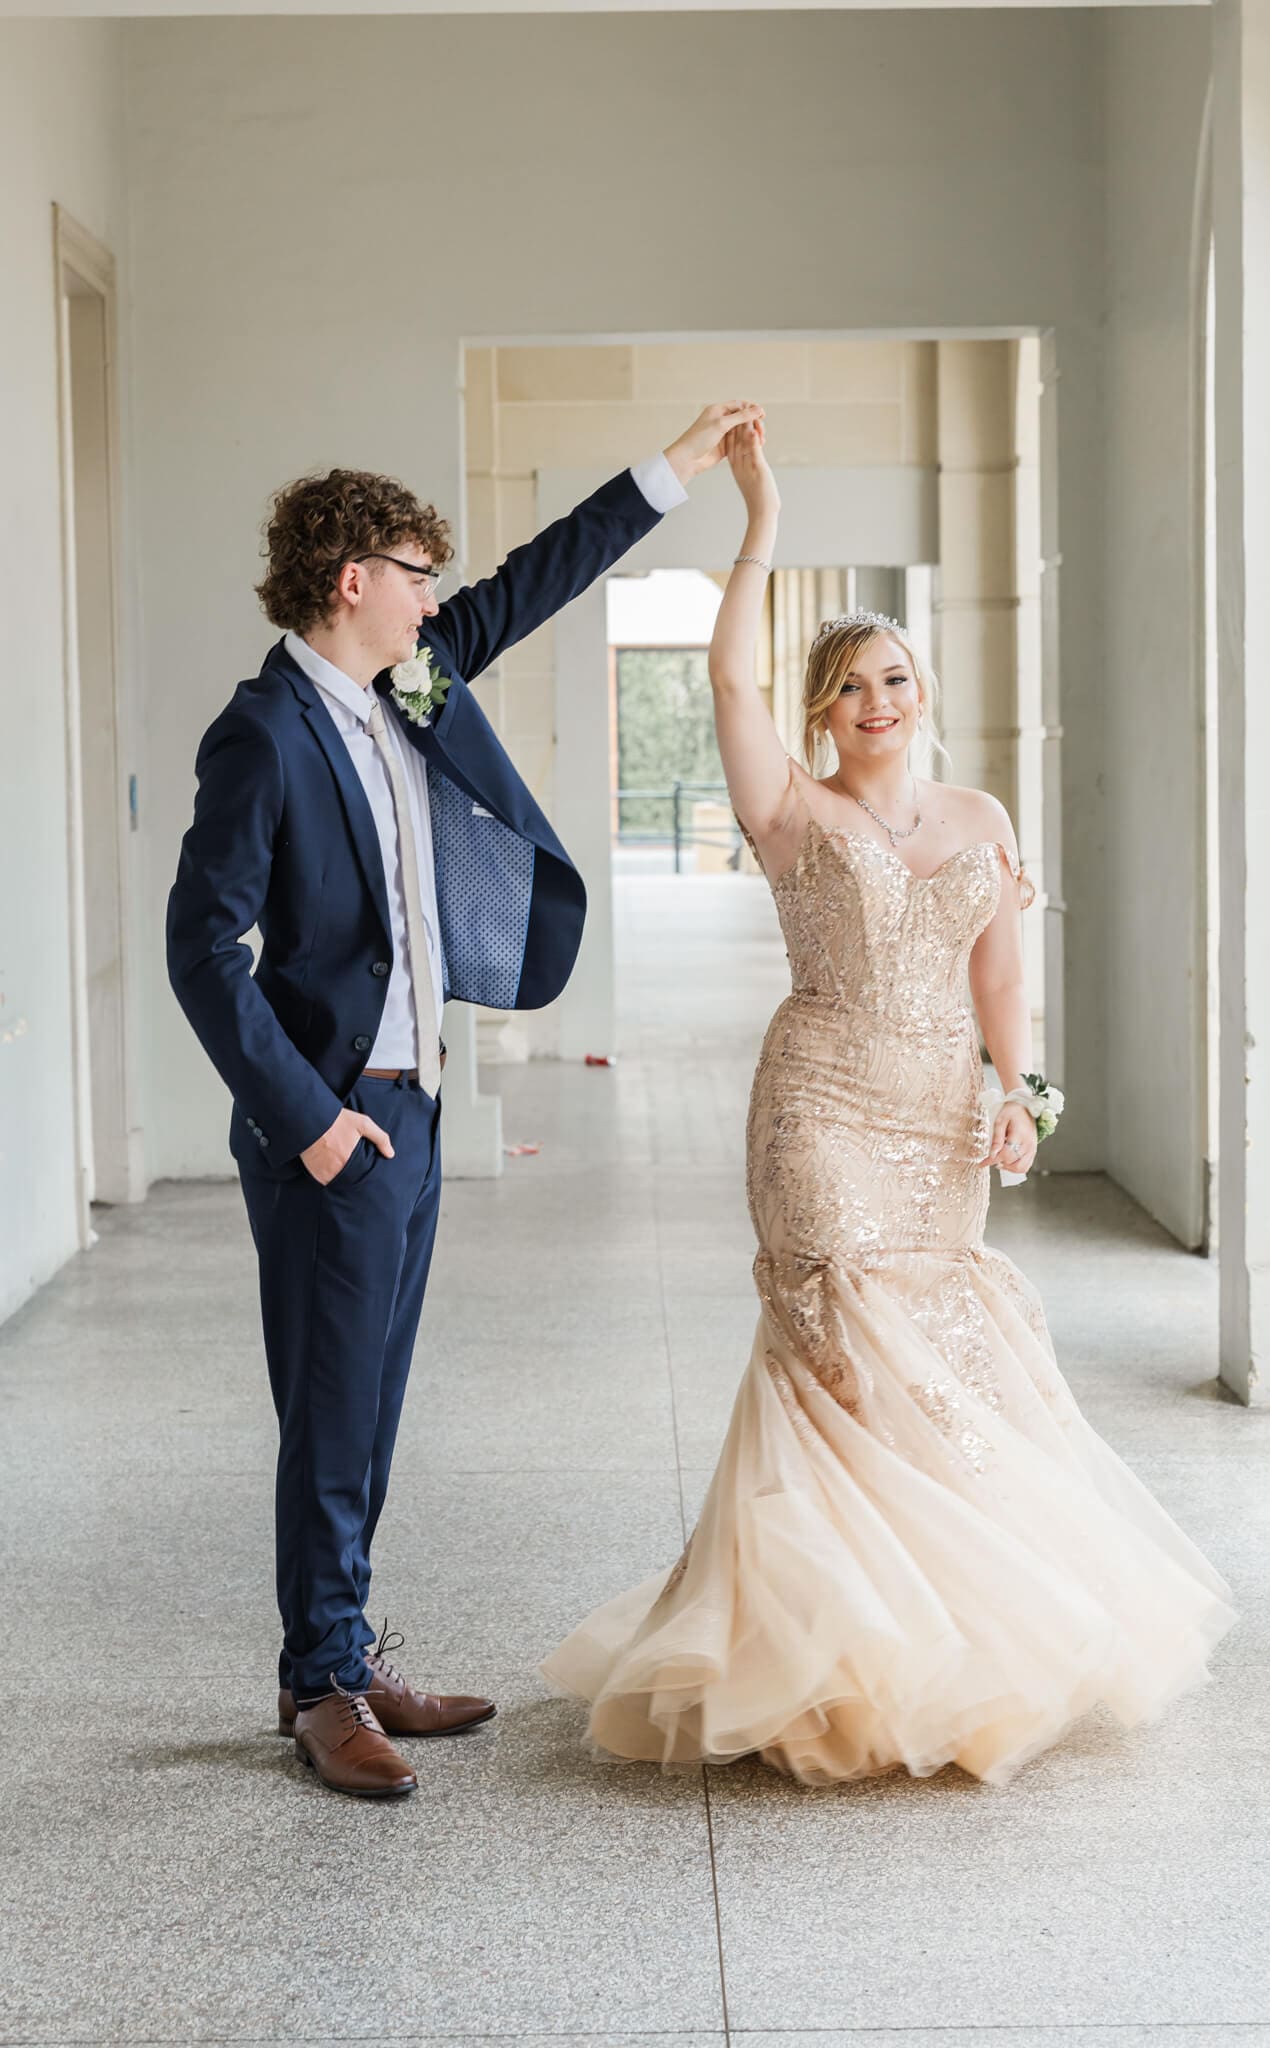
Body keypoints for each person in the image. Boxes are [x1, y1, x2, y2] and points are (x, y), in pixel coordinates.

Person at [542, 419, 1236, 1786]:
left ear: (924, 690)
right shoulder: (790, 808)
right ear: (821, 708)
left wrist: (1018, 1095)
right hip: (817, 1106)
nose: (878, 699)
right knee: (841, 1337)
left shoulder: (981, 818)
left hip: (932, 1121)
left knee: (936, 1348)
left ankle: (934, 1642)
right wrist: (759, 522)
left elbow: (1000, 978)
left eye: (896, 676)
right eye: (853, 683)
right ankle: (817, 1652)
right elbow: (726, 676)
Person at [166, 401, 764, 1798]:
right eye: (416, 572)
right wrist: (308, 1120)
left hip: (418, 1099)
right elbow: (206, 950)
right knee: (329, 1408)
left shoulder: (408, 685)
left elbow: (530, 583)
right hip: (338, 1119)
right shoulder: (261, 733)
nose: (437, 595)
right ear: (349, 580)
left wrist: (669, 472)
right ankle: (319, 1684)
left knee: (368, 1402)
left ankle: (345, 1647)